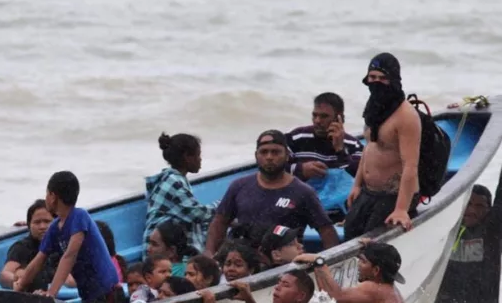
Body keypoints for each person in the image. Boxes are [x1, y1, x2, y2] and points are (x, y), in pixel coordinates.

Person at [433, 104, 502, 303]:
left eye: (479, 206)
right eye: (468, 204)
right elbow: (440, 179)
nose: (471, 210)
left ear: (489, 211)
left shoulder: (494, 229)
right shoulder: (448, 224)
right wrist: (458, 123)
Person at [204, 130, 339, 256]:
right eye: (264, 152)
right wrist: (210, 254)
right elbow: (219, 222)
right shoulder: (239, 186)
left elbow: (326, 230)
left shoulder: (303, 192)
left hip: (283, 266)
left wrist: (331, 263)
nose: (269, 157)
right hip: (244, 263)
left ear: (287, 156)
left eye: (275, 152)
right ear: (256, 156)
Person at [15, 171, 123, 303]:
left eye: (47, 193)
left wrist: (51, 293)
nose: (45, 198)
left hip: (107, 293)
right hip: (88, 296)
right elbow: (38, 261)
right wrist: (20, 286)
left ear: (53, 197)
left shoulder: (80, 216)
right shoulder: (54, 228)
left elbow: (69, 256)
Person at [344, 53, 422, 240]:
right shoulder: (374, 107)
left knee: (370, 244)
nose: (376, 82)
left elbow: (410, 165)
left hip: (393, 195)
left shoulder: (406, 116)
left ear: (393, 80)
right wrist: (357, 184)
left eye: (382, 78)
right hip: (368, 191)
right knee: (350, 234)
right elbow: (369, 147)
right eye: (372, 77)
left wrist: (401, 209)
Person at [296, 241, 407, 303]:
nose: (358, 265)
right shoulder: (392, 289)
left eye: (363, 261)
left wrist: (319, 262)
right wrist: (373, 245)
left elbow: (333, 298)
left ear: (376, 270)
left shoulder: (373, 289)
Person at [144, 133, 214, 253]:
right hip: (163, 256)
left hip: (173, 250)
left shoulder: (174, 179)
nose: (200, 159)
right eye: (198, 155)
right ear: (187, 156)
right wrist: (224, 206)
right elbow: (198, 214)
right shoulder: (173, 182)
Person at [0, 200, 74, 291]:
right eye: (37, 222)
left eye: (47, 221)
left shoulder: (66, 244)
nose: (42, 226)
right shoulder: (22, 247)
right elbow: (5, 274)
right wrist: (15, 280)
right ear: (29, 225)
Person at [288, 92, 364, 180]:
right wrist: (300, 169)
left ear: (339, 118)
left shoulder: (354, 144)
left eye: (324, 116)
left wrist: (340, 150)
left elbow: (358, 177)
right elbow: (273, 167)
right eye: (314, 115)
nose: (317, 121)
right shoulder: (297, 137)